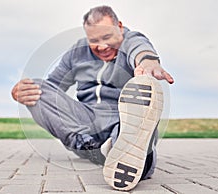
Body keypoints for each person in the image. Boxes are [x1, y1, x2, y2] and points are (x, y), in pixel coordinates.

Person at [11, 5, 174, 191]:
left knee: (131, 128)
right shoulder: (77, 53)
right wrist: (21, 92)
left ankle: (135, 156)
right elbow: (54, 86)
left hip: (121, 118)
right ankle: (93, 148)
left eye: (107, 37)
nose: (102, 46)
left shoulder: (131, 40)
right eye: (94, 40)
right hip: (86, 120)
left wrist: (148, 63)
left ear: (119, 27)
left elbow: (141, 49)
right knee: (36, 88)